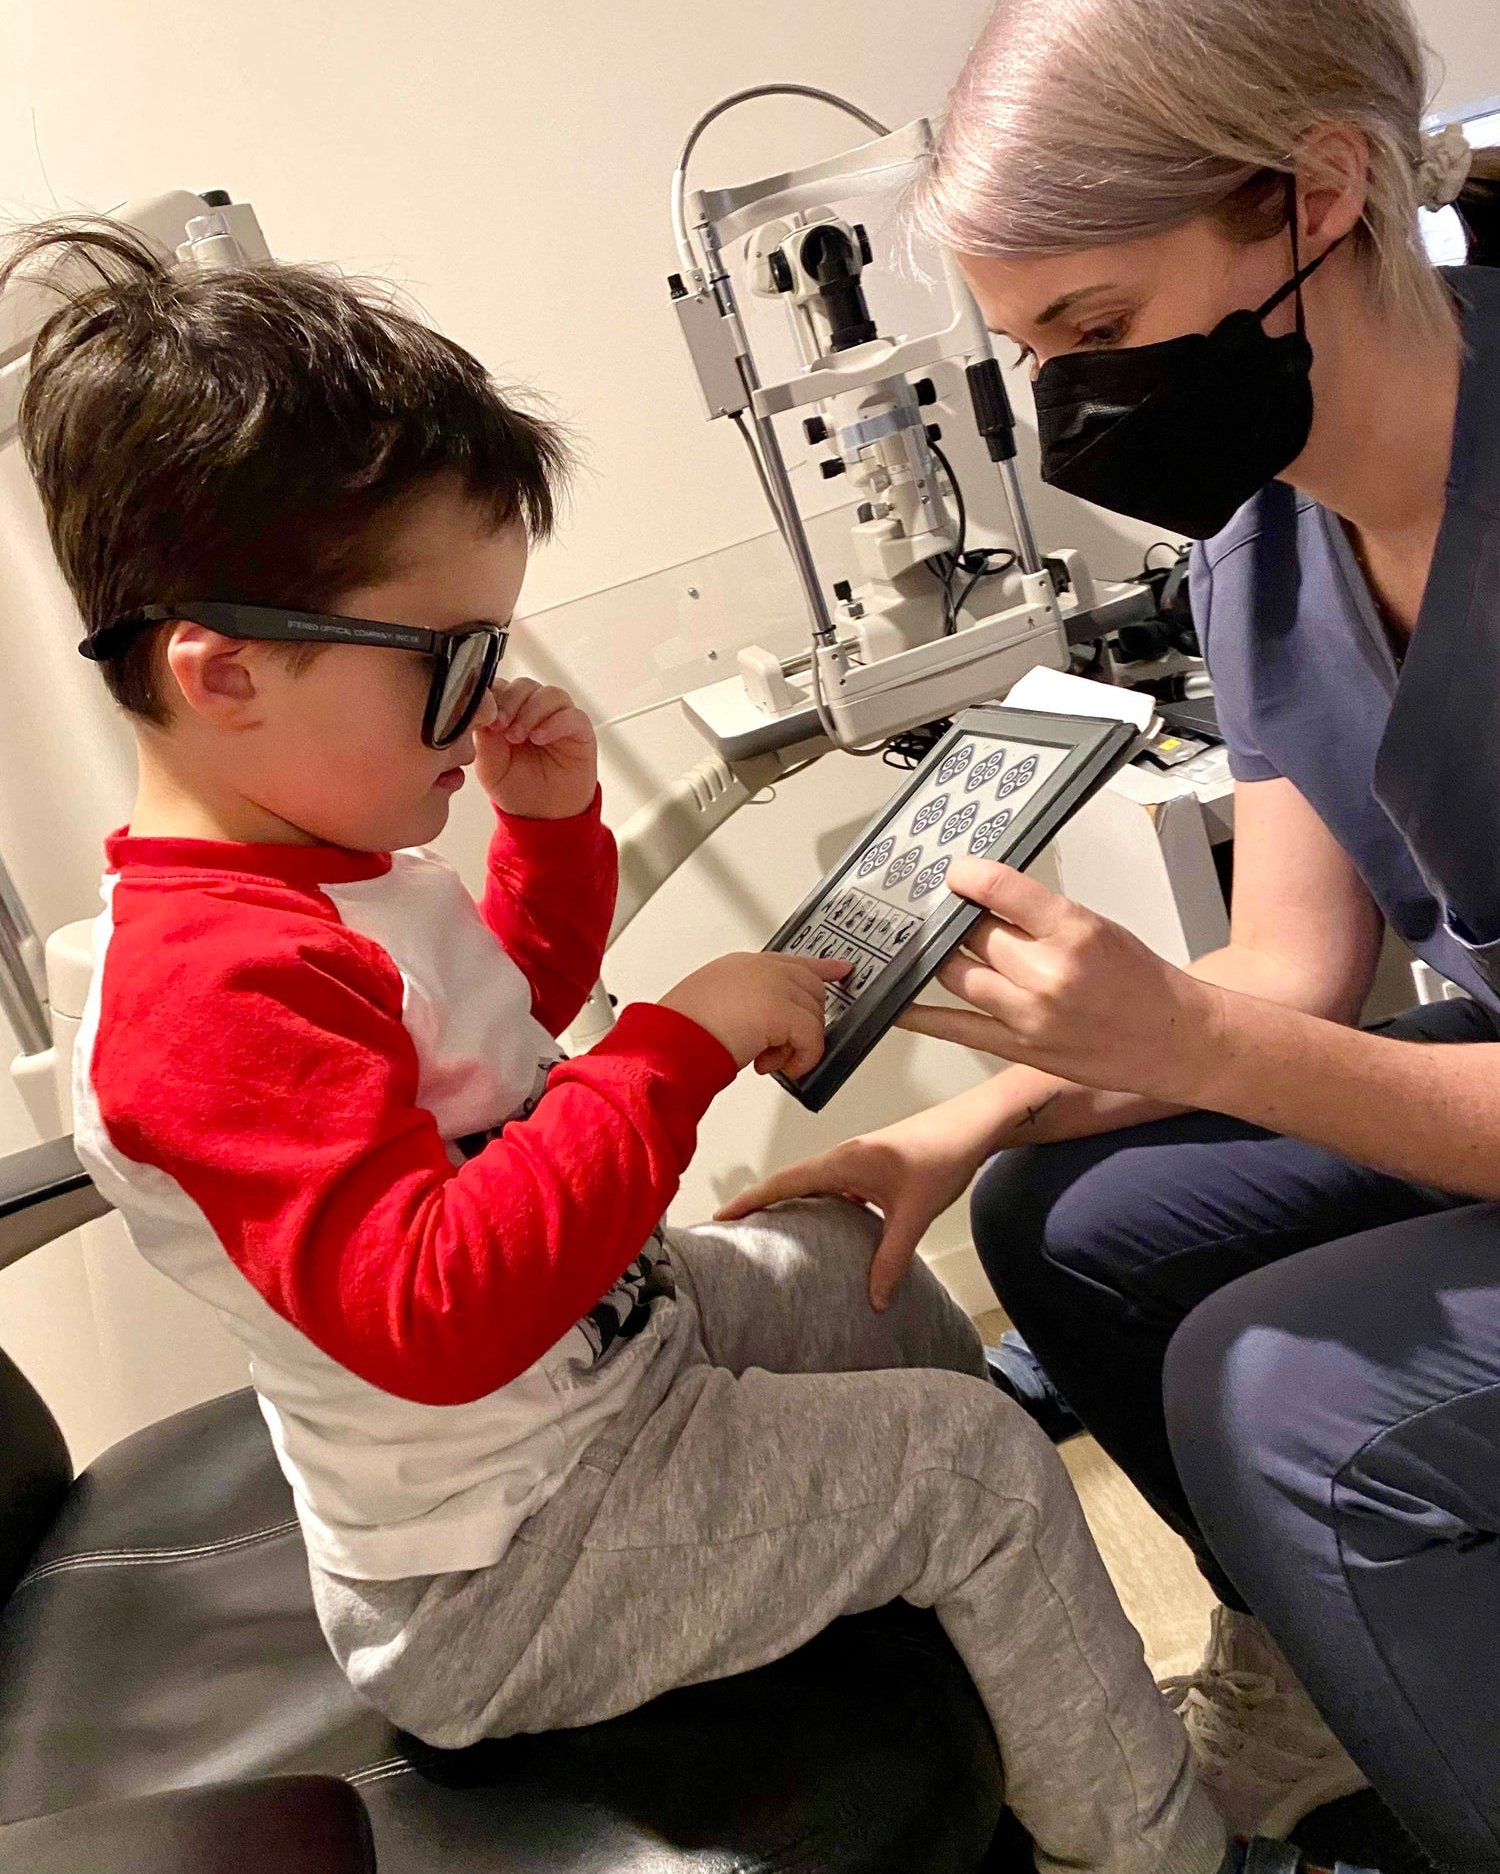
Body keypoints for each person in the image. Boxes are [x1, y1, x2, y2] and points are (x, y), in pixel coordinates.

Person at [8, 218, 1266, 1874]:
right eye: (448, 664)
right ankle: (1169, 1852)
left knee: (855, 1268)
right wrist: (672, 1052)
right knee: (968, 1471)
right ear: (225, 672)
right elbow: (436, 1307)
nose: (483, 702)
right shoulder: (203, 996)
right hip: (498, 1564)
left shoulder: (323, 877)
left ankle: (1024, 1663)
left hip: (603, 1372)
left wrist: (544, 831)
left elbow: (498, 1044)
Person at [724, 0, 1500, 1864]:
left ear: (1318, 189)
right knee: (1075, 1222)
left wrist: (1183, 1040)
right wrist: (967, 1122)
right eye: (1031, 353)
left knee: (1282, 1393)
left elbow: (1265, 1045)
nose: (1077, 409)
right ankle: (1350, 1689)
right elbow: (1297, 974)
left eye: (1097, 328)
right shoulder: (1268, 537)